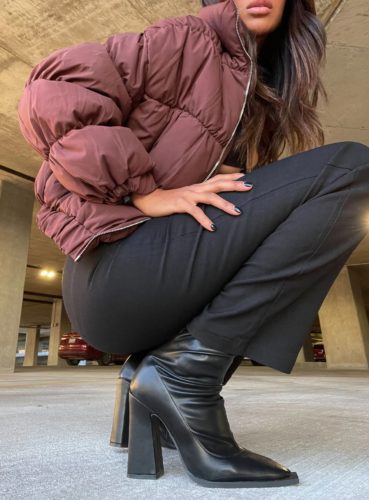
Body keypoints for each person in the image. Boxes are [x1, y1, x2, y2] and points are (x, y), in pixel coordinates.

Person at [17, 0, 369, 489]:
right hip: (114, 270)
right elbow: (52, 90)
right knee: (350, 170)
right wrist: (144, 189)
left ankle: (157, 379)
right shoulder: (188, 39)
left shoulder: (255, 87)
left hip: (139, 279)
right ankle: (184, 377)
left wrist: (196, 177)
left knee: (286, 215)